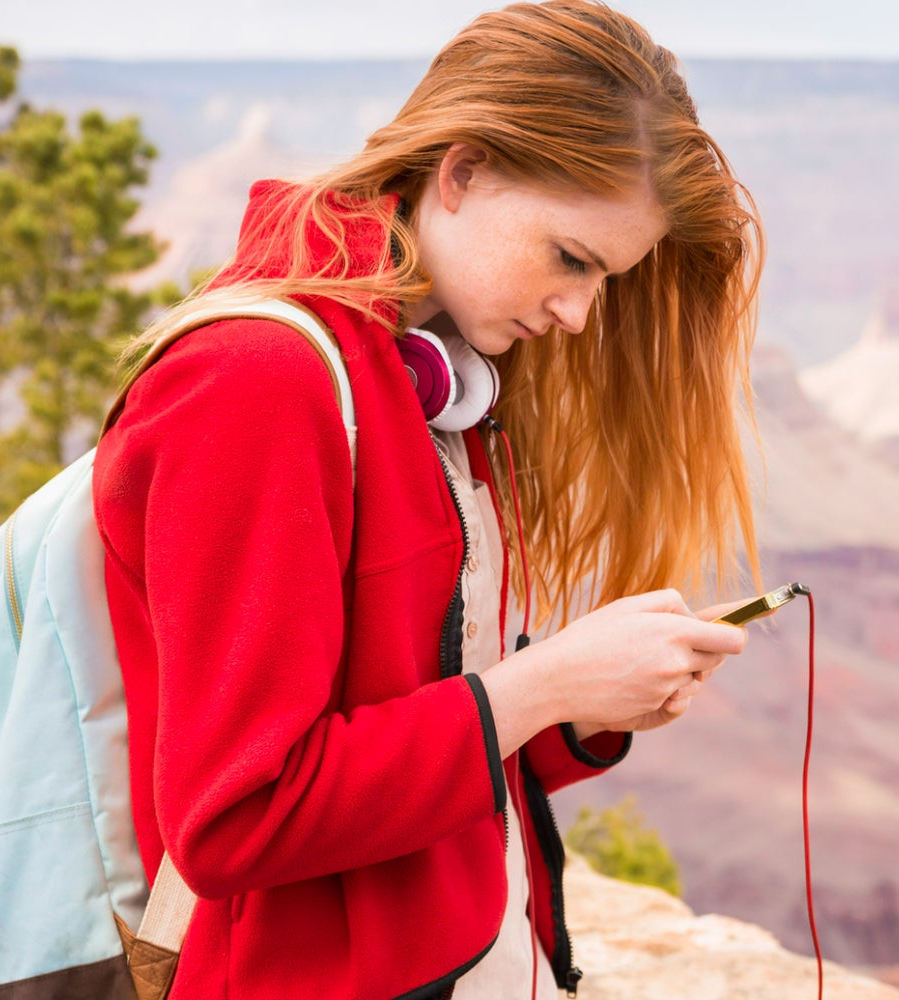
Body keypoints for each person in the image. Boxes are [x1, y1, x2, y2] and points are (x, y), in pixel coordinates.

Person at [91, 2, 765, 997]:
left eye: (605, 280)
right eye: (570, 257)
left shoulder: (438, 378)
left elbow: (421, 728)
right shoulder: (255, 386)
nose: (578, 314)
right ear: (461, 172)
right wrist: (546, 685)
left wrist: (579, 709)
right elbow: (241, 819)